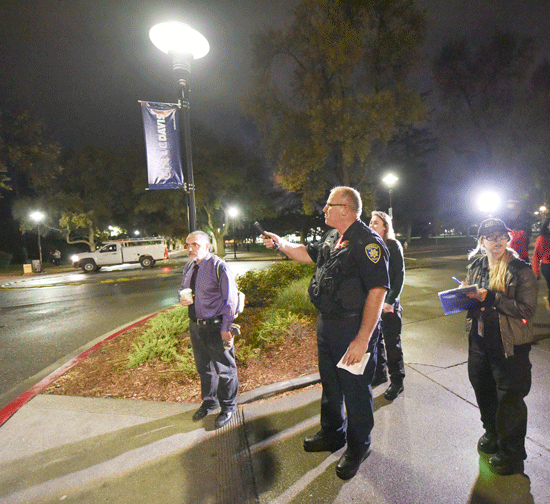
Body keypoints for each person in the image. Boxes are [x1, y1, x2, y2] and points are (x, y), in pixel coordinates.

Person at [260, 186, 390, 481]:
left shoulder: (368, 243)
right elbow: (307, 254)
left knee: (356, 392)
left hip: (353, 327)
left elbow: (378, 291)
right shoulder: (334, 236)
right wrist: (280, 243)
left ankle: (359, 447)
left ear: (345, 209)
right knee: (331, 386)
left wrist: (361, 339)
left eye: (329, 205)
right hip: (328, 324)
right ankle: (333, 434)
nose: (324, 210)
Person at [463, 218, 537, 475]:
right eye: (490, 237)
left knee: (510, 400)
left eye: (500, 236)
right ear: (481, 242)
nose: (496, 241)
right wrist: (464, 295)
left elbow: (527, 309)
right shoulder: (476, 265)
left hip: (510, 346)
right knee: (483, 389)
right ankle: (492, 434)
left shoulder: (520, 270)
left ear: (507, 239)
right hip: (480, 341)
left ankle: (512, 453)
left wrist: (491, 298)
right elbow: (473, 300)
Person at [179, 230, 240, 429]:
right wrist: (182, 297)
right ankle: (210, 401)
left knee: (225, 369)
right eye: (187, 244)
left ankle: (228, 407)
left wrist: (226, 327)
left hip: (216, 326)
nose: (189, 249)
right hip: (196, 326)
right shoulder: (189, 266)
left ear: (208, 247)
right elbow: (183, 288)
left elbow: (230, 300)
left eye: (195, 244)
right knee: (204, 368)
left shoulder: (218, 267)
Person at [369, 211, 406, 400]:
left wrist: (390, 301)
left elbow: (399, 276)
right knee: (375, 341)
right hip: (373, 303)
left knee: (392, 343)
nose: (372, 225)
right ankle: (379, 374)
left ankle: (397, 381)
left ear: (385, 226)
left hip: (389, 303)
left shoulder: (393, 245)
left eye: (376, 222)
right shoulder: (371, 246)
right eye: (371, 222)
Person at [532, 216, 550, 311]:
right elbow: (536, 256)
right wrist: (536, 271)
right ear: (547, 226)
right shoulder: (542, 238)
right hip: (547, 266)